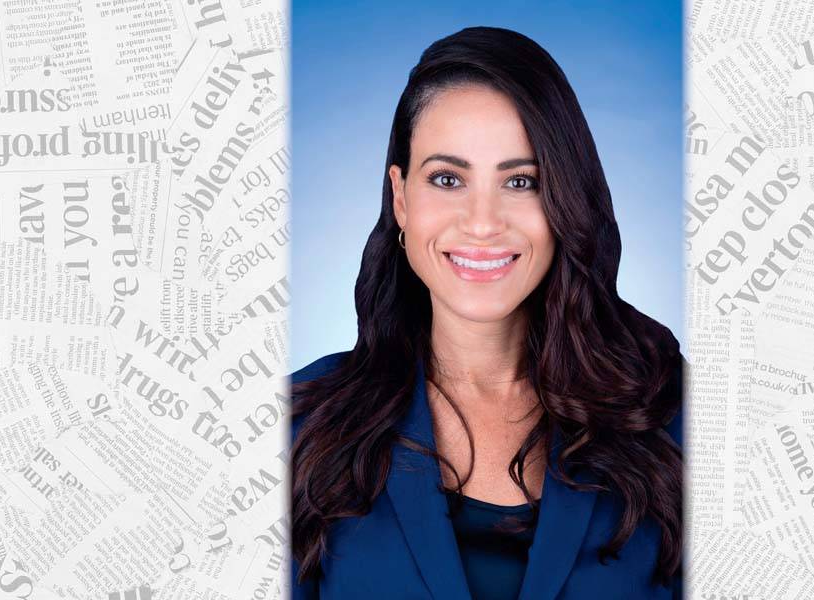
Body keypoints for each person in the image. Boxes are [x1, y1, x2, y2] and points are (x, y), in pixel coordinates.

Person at [290, 26, 684, 600]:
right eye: (447, 179)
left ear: (565, 201)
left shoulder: (673, 419)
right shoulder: (299, 429)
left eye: (521, 181)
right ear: (400, 198)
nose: (481, 223)